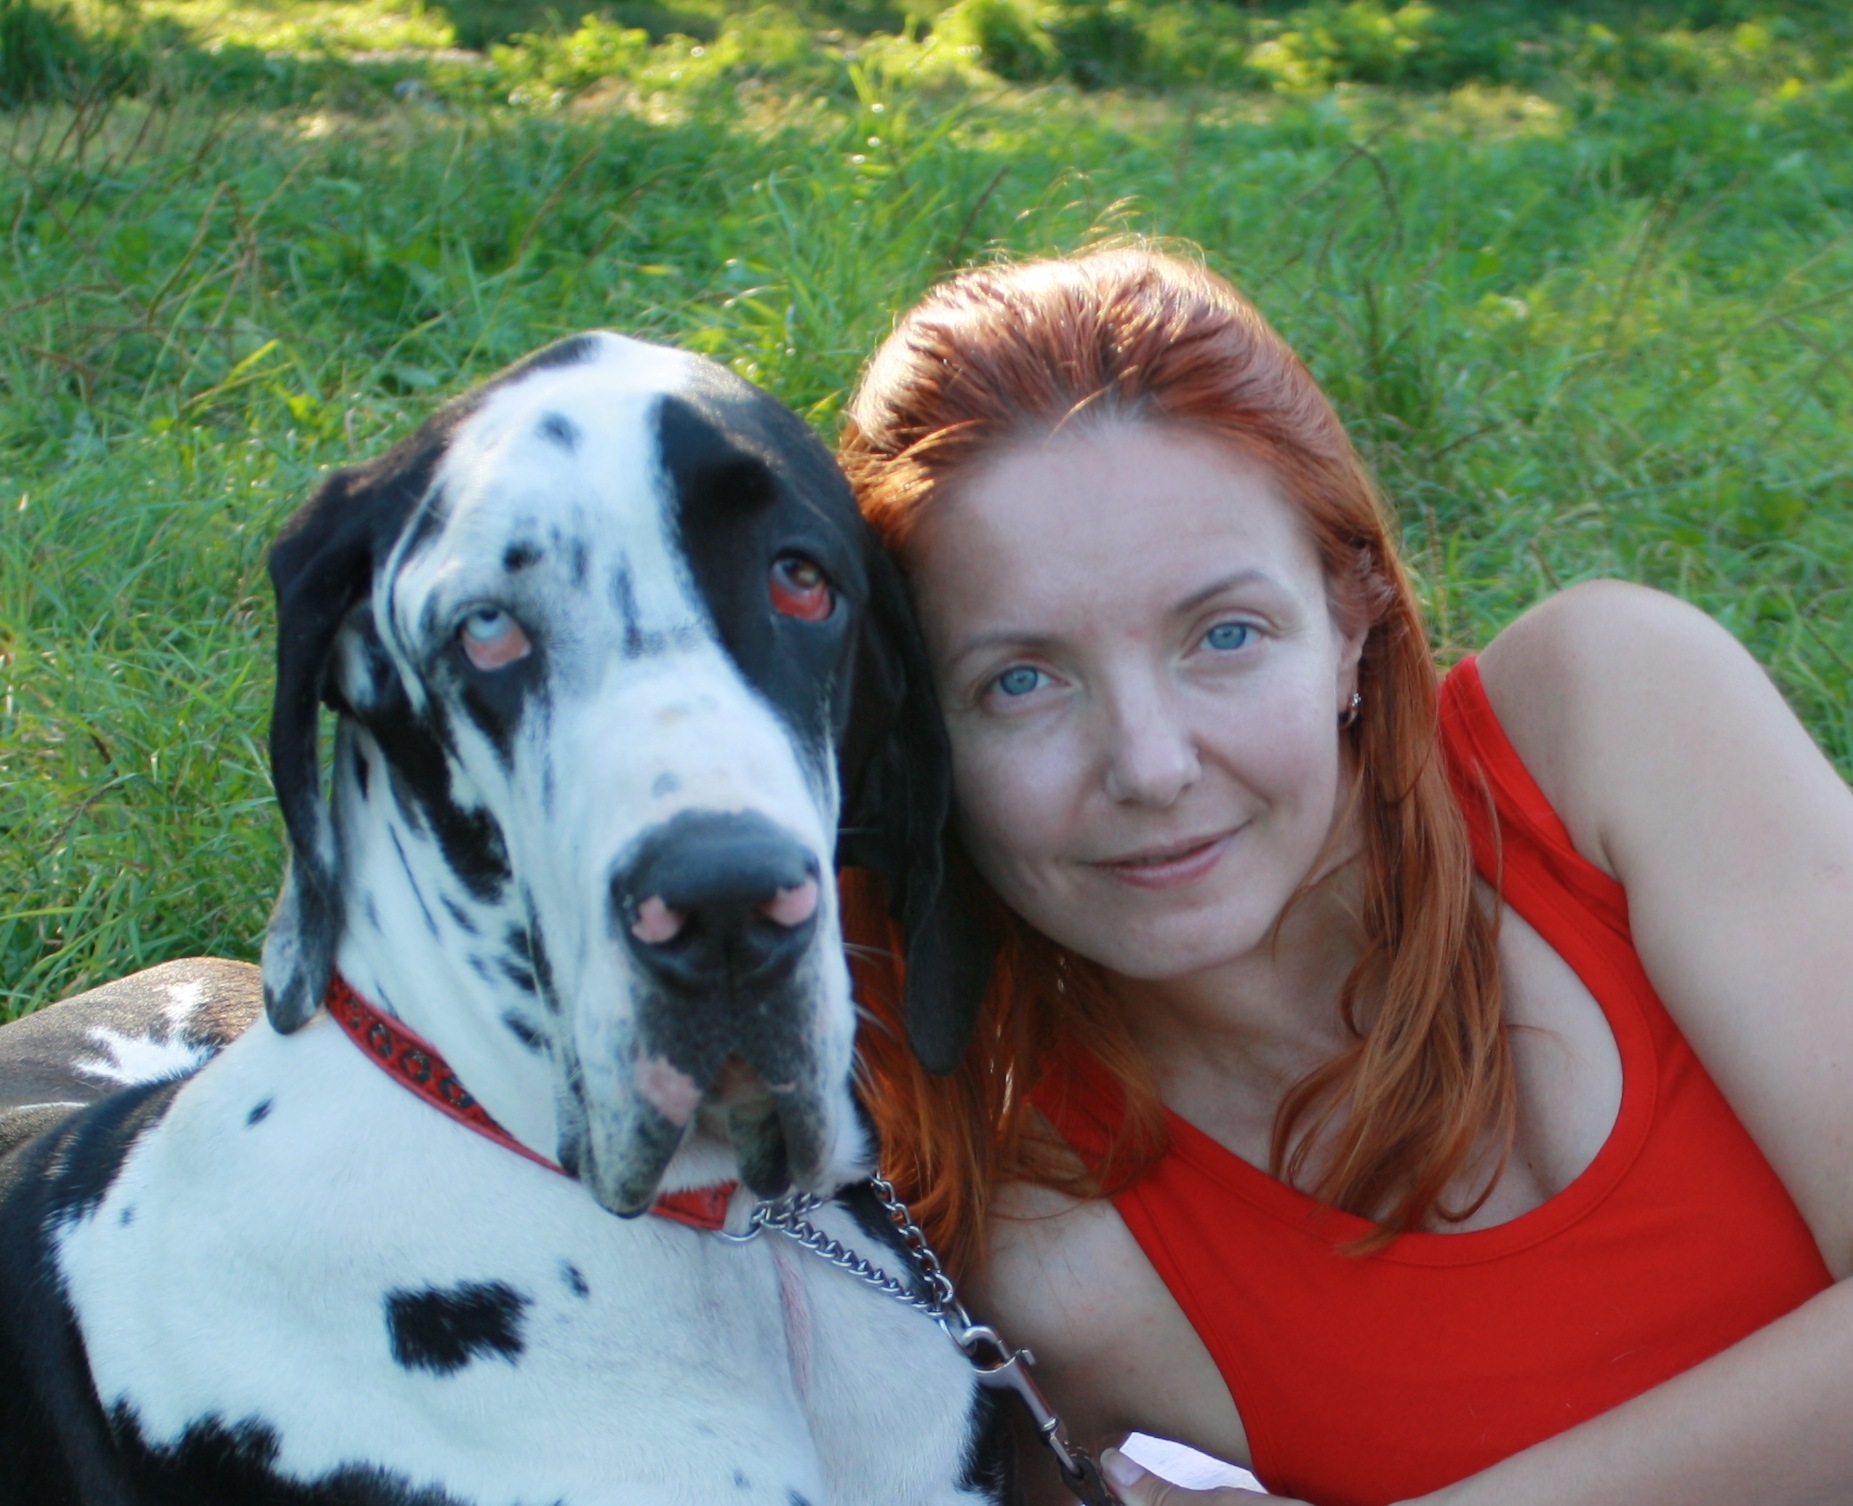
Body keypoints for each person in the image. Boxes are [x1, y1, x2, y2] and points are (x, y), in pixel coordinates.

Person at [835, 247, 1853, 1506]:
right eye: (1020, 681)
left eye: (1224, 634)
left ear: (1350, 616)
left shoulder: (1607, 721)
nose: (1150, 765)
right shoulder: (1064, 1267)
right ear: (915, 743)